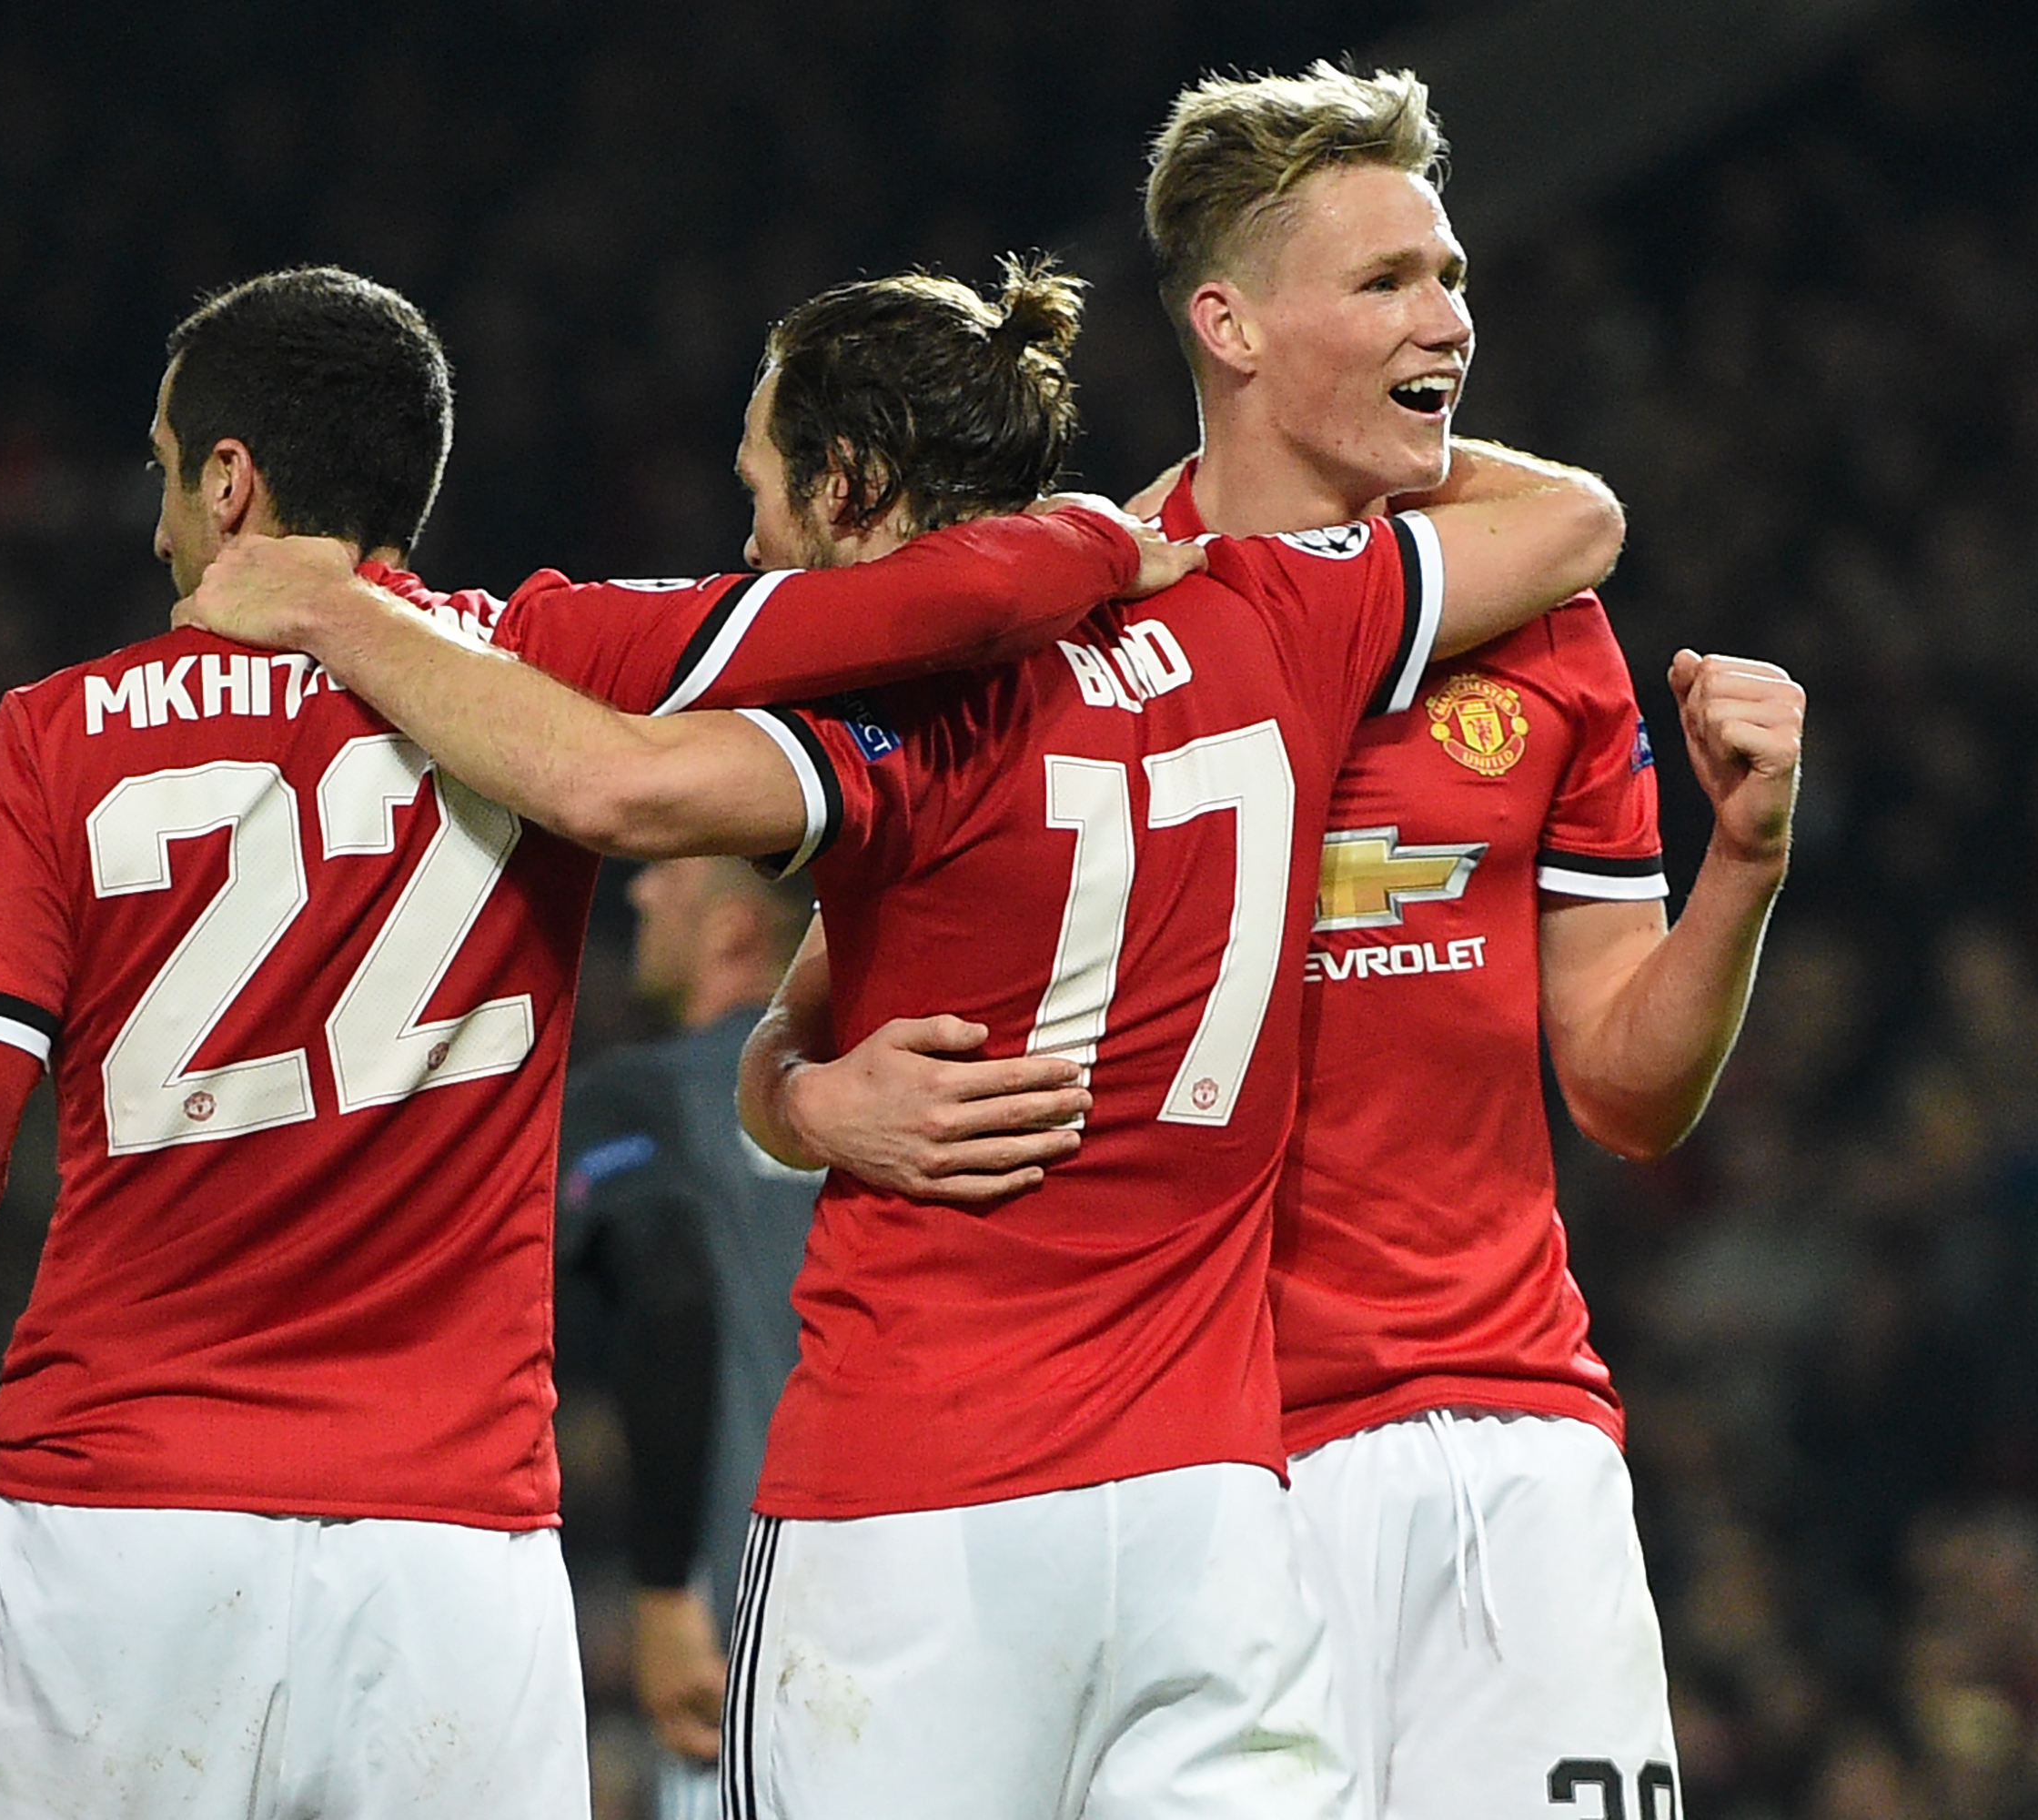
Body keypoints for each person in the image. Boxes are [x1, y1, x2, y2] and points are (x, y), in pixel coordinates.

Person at [177, 256, 1625, 1820]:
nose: (750, 543)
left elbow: (614, 788)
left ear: (850, 486)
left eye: (762, 491)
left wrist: (332, 612)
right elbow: (1569, 523)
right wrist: (798, 1090)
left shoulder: (905, 712)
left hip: (918, 1508)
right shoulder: (1277, 613)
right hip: (1212, 1529)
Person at [0, 263, 1190, 1818]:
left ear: (229, 484)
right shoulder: (539, 660)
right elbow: (953, 595)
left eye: (166, 473)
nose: (161, 524)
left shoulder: (50, 738)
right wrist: (1104, 533)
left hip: (114, 1537)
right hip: (451, 1564)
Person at [741, 66, 1807, 1820]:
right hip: (1196, 1476)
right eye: (1386, 280)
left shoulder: (1544, 631)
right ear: (1227, 324)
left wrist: (1744, 869)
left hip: (1503, 1442)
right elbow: (799, 1037)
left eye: (1449, 275)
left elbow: (1628, 1089)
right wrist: (811, 1103)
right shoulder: (1085, 622)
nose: (1448, 317)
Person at [556, 857, 822, 1820]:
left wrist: (664, 1586)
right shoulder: (899, 1094)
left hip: (732, 1615)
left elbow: (664, 1298)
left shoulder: (641, 1100)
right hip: (922, 1575)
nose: (638, 892)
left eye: (669, 872)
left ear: (733, 928)